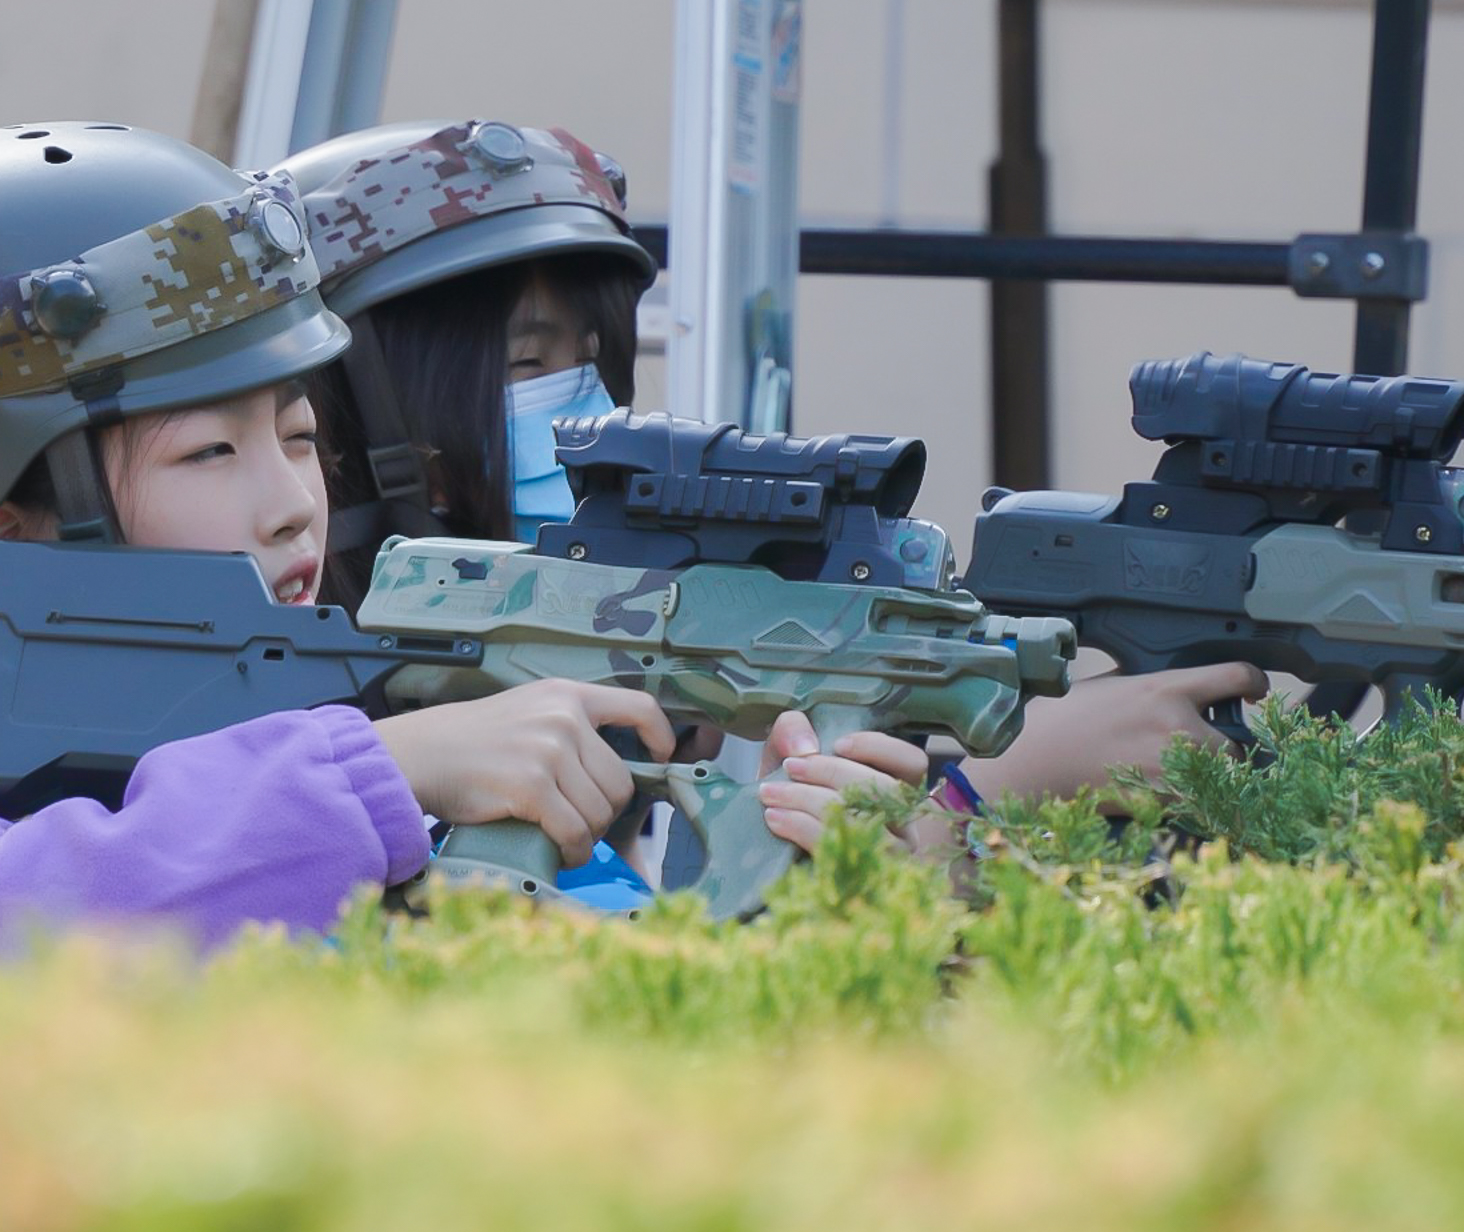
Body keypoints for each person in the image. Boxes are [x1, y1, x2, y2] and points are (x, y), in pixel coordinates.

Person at [0, 122, 914, 958]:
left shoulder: (375, 764)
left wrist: (817, 893)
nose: (290, 503)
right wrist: (385, 773)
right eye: (208, 453)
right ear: (2, 524)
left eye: (300, 435)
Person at [275, 118, 1270, 817]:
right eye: (528, 366)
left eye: (594, 361)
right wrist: (977, 797)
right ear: (369, 426)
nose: (584, 411)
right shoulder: (304, 731)